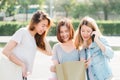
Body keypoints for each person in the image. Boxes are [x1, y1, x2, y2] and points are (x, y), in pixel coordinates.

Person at [0, 10, 52, 80]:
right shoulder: (23, 32)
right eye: (43, 25)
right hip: (13, 73)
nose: (45, 28)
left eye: (46, 26)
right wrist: (22, 64)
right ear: (35, 23)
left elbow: (49, 53)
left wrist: (43, 36)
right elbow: (5, 51)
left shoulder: (34, 40)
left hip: (22, 75)